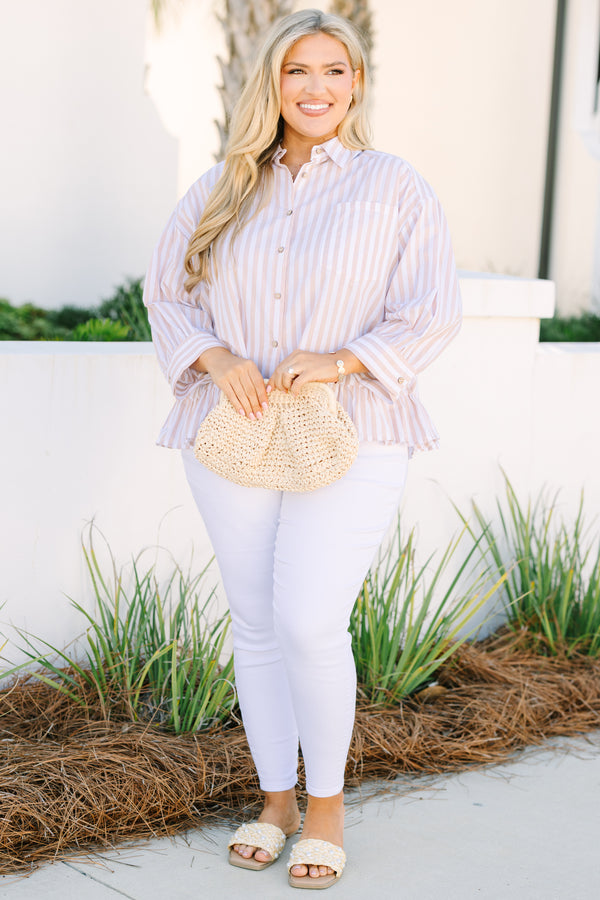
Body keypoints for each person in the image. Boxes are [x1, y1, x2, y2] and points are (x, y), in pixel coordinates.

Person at [144, 8, 461, 890]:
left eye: (334, 70)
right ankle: (275, 799)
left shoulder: (394, 186)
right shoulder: (220, 187)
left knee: (310, 619)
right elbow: (166, 296)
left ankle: (327, 809)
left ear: (356, 83)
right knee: (255, 620)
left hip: (355, 428)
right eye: (297, 71)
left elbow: (433, 309)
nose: (316, 88)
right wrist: (215, 356)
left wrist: (344, 358)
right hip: (233, 424)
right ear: (271, 85)